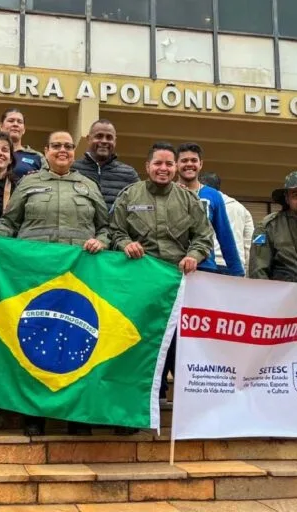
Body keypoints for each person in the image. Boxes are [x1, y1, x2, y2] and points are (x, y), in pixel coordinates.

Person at [0, 130, 109, 436]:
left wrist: (101, 241)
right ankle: (34, 414)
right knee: (35, 341)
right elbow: (9, 224)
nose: (62, 150)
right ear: (45, 151)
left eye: (68, 146)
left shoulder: (88, 185)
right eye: (56, 146)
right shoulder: (28, 184)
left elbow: (106, 228)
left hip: (77, 280)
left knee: (76, 341)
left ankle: (77, 417)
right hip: (36, 278)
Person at [111, 141, 215, 408]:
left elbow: (204, 237)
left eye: (169, 164)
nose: (163, 168)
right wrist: (126, 244)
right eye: (158, 163)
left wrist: (194, 256)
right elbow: (114, 231)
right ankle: (138, 402)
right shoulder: (129, 196)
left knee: (177, 343)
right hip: (139, 283)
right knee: (139, 340)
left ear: (175, 167)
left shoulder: (189, 200)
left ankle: (185, 405)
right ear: (147, 166)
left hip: (176, 284)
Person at [176, 143, 244, 277]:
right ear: (176, 164)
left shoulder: (213, 195)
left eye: (194, 160)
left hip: (205, 267)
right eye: (184, 160)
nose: (189, 164)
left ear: (200, 164)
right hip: (172, 266)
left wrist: (237, 273)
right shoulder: (168, 193)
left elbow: (225, 236)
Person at [71, 119, 139, 211]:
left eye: (109, 137)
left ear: (115, 141)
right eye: (99, 136)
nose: (104, 141)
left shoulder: (129, 175)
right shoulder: (72, 170)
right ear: (88, 139)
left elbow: (140, 207)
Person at [199, 172, 254, 274]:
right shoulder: (240, 208)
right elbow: (249, 243)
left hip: (208, 263)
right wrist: (246, 269)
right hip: (235, 265)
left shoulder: (198, 202)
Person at [0, 108, 48, 178]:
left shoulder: (37, 156)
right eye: (11, 121)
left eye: (19, 122)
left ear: (24, 129)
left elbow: (46, 182)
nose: (15, 124)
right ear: (1, 126)